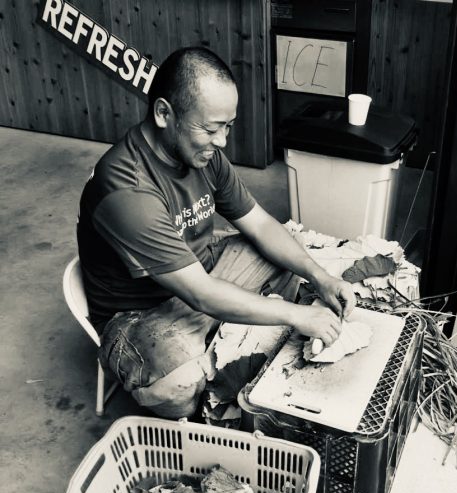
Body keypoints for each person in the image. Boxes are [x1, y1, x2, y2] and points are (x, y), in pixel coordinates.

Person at [77, 46, 356, 419]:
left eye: (227, 126)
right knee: (179, 381)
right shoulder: (125, 188)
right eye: (210, 128)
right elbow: (201, 294)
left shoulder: (203, 155)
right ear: (164, 113)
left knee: (289, 250)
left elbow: (258, 223)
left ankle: (224, 335)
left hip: (200, 272)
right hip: (141, 314)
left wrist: (319, 277)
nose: (222, 141)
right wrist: (295, 316)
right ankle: (209, 366)